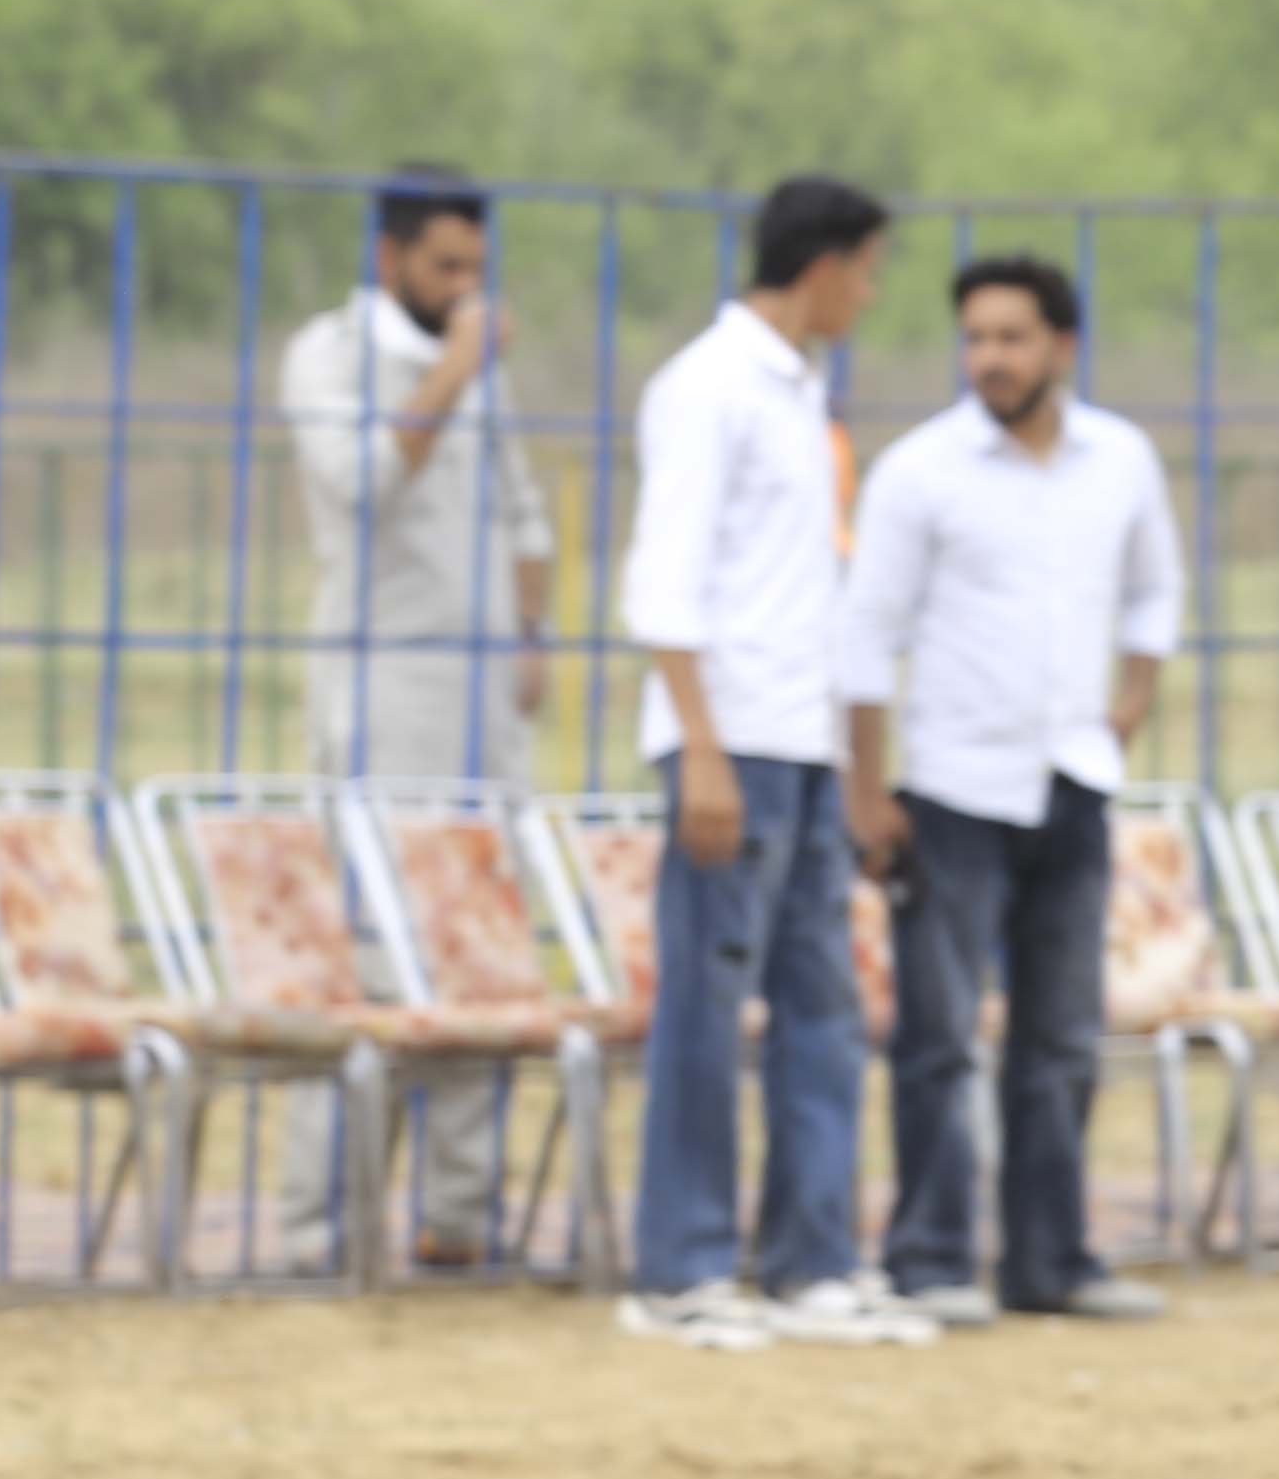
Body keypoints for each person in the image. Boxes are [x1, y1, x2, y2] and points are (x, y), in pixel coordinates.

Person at [838, 253, 1185, 1326]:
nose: (990, 358)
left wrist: (1130, 702)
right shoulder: (921, 472)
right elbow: (865, 638)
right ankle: (932, 1257)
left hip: (1072, 779)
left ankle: (1051, 1260)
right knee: (940, 1037)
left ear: (1061, 347)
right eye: (976, 338)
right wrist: (866, 791)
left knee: (1064, 1039)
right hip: (954, 788)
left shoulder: (1118, 460)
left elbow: (1156, 591)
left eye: (1012, 338)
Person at [614, 174, 920, 1353]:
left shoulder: (801, 395)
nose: (871, 294)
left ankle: (811, 1260)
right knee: (705, 1004)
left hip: (802, 740)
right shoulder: (707, 387)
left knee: (821, 1011)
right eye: (867, 270)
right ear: (826, 265)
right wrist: (699, 746)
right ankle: (682, 1267)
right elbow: (666, 575)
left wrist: (848, 759)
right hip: (729, 739)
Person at [276, 163, 554, 1267]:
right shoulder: (330, 354)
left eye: (476, 269)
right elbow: (363, 482)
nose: (464, 288)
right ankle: (323, 1228)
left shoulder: (481, 369)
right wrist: (452, 370)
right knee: (369, 955)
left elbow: (524, 511)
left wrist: (531, 634)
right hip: (382, 690)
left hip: (486, 703)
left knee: (479, 943)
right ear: (390, 257)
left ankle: (460, 1220)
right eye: (445, 267)